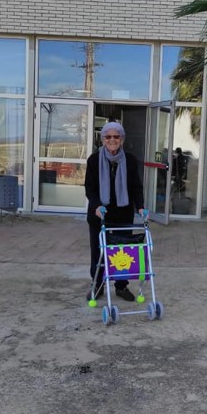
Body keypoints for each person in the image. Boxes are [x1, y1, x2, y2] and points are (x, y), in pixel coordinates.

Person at [85, 121, 144, 302]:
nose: (112, 140)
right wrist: (96, 206)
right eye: (108, 136)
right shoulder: (94, 160)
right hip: (99, 214)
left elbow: (136, 187)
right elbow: (90, 188)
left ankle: (121, 286)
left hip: (123, 214)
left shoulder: (130, 160)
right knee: (98, 251)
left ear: (122, 139)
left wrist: (140, 207)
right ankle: (98, 285)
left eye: (116, 136)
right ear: (103, 139)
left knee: (122, 251)